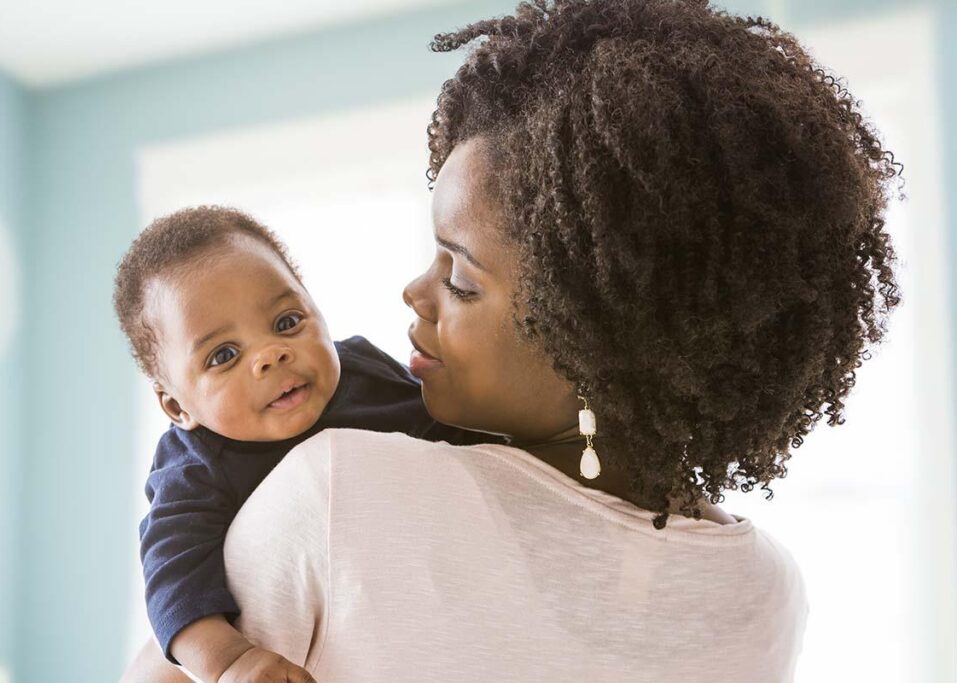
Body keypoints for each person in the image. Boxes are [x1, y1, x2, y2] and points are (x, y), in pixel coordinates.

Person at [126, 0, 901, 679]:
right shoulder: (768, 591)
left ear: (599, 333)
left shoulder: (340, 491)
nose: (413, 293)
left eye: (461, 280)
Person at [113, 206, 491, 682]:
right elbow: (174, 581)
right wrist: (231, 660)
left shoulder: (365, 371)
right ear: (177, 408)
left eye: (287, 321)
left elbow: (461, 441)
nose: (271, 355)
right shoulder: (195, 463)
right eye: (224, 355)